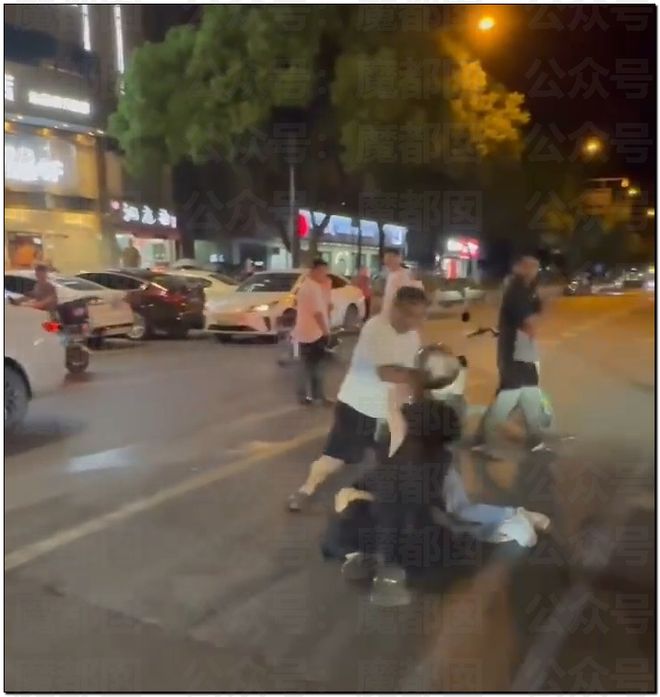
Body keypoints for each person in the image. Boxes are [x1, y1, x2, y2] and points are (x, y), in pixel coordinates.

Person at [287, 285, 428, 512]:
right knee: (334, 459)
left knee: (399, 459)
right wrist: (423, 377)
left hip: (389, 410)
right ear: (395, 309)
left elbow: (409, 374)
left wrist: (417, 397)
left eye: (420, 316)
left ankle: (374, 501)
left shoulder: (413, 336)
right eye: (410, 314)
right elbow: (386, 373)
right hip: (357, 407)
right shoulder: (376, 329)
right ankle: (306, 489)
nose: (414, 321)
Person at [473, 254, 549, 455]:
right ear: (520, 268)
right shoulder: (516, 290)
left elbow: (537, 312)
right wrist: (534, 323)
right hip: (513, 351)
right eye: (529, 267)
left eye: (536, 268)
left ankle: (534, 438)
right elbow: (529, 322)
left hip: (522, 349)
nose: (533, 272)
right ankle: (481, 439)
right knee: (508, 396)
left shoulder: (527, 289)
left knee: (528, 393)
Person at [292, 259, 331, 405]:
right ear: (314, 271)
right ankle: (317, 396)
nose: (325, 275)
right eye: (322, 272)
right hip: (314, 333)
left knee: (306, 366)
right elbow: (317, 313)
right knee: (315, 367)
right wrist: (326, 331)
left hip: (305, 332)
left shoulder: (307, 286)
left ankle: (304, 396)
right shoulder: (312, 288)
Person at [380, 248, 415, 316]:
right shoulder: (391, 274)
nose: (387, 262)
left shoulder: (404, 274)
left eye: (390, 259)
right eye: (386, 259)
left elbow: (405, 297)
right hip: (388, 313)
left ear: (399, 258)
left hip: (398, 314)